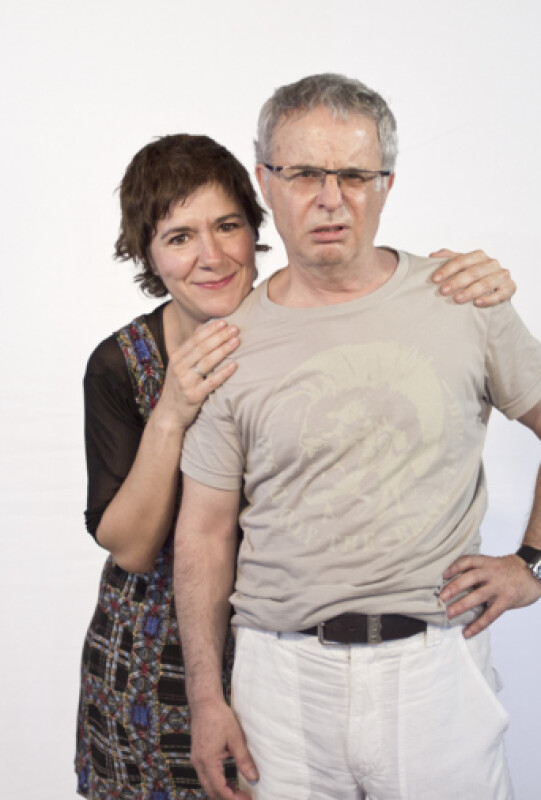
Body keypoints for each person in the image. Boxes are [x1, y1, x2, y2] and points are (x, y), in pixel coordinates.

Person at [76, 132, 514, 800]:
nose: (211, 256)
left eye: (227, 226)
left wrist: (463, 286)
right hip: (157, 655)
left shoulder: (297, 321)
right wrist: (170, 412)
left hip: (284, 650)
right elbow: (131, 548)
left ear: (257, 228)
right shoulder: (122, 364)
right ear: (148, 254)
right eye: (179, 237)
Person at [173, 74, 541, 800]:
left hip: (437, 670)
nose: (330, 198)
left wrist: (532, 561)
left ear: (386, 185)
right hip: (280, 685)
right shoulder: (229, 344)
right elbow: (205, 533)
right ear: (265, 182)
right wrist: (206, 697)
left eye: (354, 175)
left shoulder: (462, 300)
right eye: (304, 173)